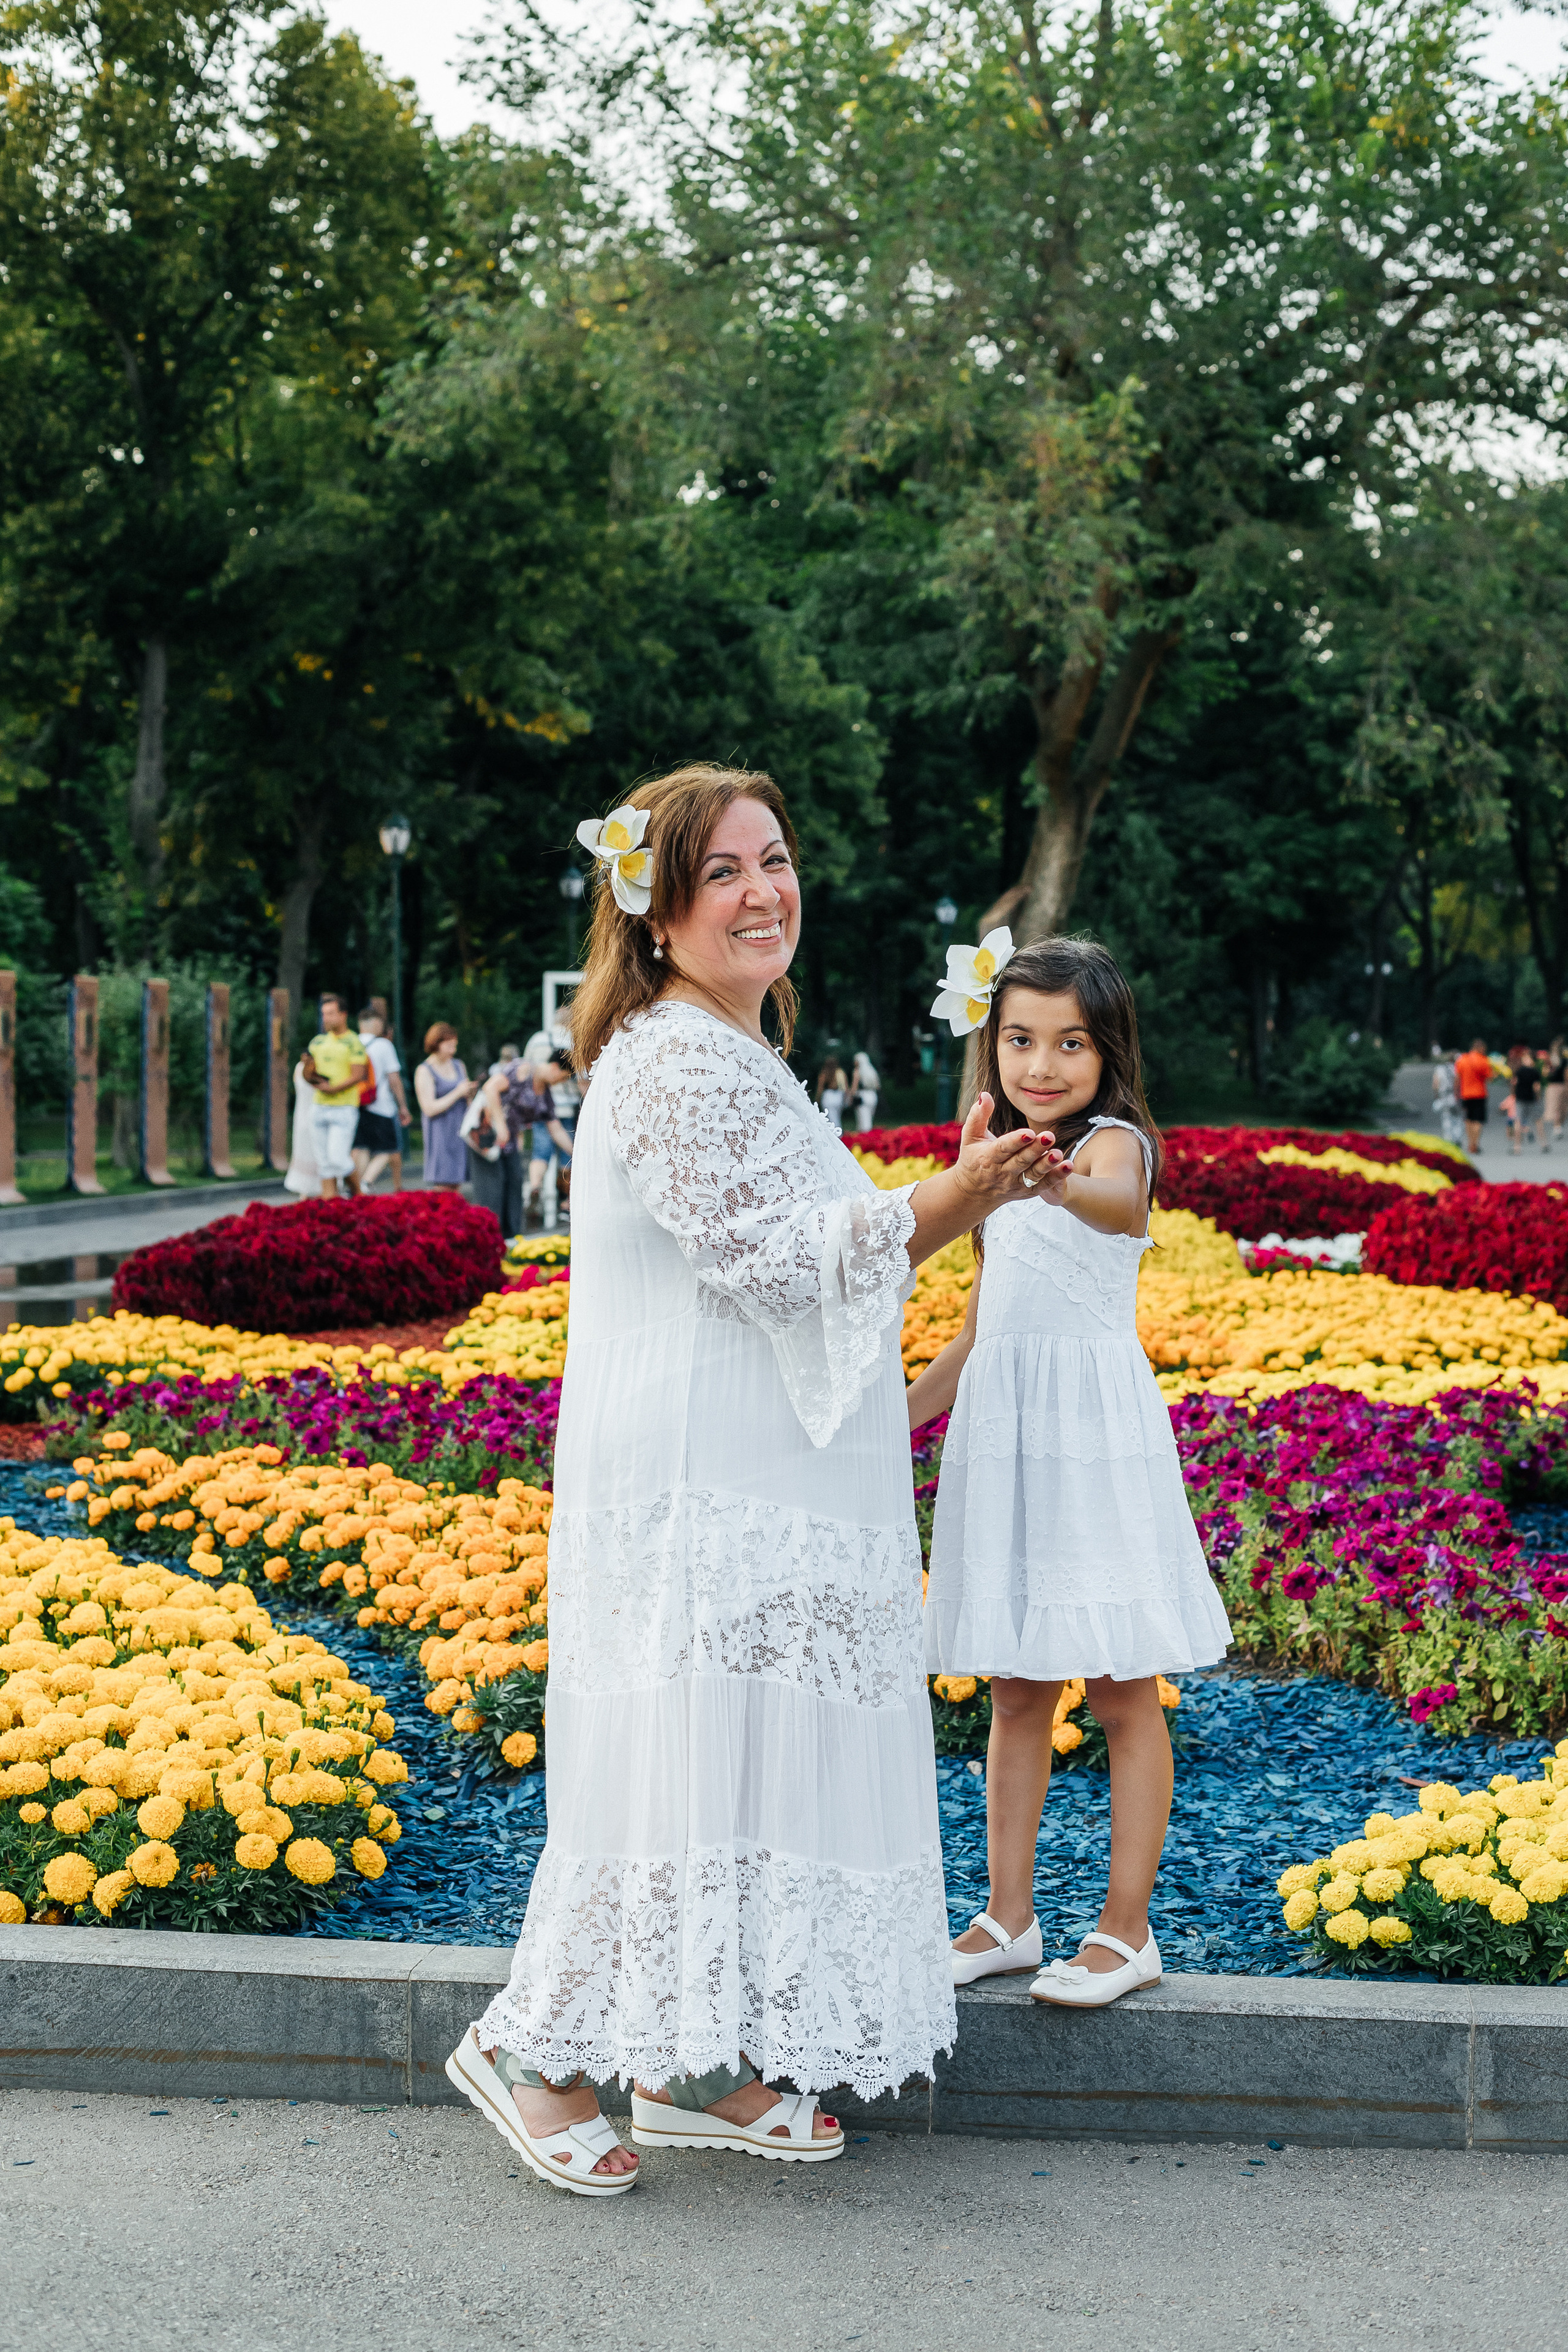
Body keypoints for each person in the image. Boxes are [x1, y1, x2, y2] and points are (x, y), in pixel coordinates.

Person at [443, 763, 1058, 2196]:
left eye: (772, 860)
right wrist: (954, 1198)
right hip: (694, 1486)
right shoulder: (668, 1057)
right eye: (719, 871)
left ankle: (694, 2059)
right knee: (670, 1758)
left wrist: (941, 1205)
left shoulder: (735, 1054)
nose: (759, 890)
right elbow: (767, 1257)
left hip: (761, 1481)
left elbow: (815, 1249)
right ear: (653, 912)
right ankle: (537, 2047)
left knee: (726, 1751)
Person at [911, 936, 1232, 2011]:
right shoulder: (998, 1164)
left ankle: (1126, 1931)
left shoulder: (1114, 1148)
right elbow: (976, 1333)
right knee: (1014, 1688)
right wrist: (891, 1419)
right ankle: (1009, 1915)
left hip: (1090, 1450)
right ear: (991, 1045)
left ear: (1107, 1052)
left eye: (1069, 1043)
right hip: (1007, 1444)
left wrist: (1042, 1183)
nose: (1041, 1065)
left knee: (1122, 1688)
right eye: (1019, 1040)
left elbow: (1112, 1207)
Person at [301, 995, 368, 1200]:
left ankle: (359, 1195)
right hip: (319, 1106)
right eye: (323, 1014)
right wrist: (310, 1074)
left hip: (344, 1107)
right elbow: (308, 1071)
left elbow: (359, 1075)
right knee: (324, 1162)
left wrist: (333, 1088)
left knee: (338, 1158)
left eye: (331, 1014)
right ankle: (330, 1203)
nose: (326, 1018)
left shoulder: (353, 1041)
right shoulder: (317, 1042)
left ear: (343, 1015)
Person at [519, 1017, 581, 1226]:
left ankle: (535, 1185)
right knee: (568, 1159)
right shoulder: (574, 1041)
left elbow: (526, 1066)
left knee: (541, 1152)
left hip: (539, 1102)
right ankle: (567, 1203)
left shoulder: (537, 1039)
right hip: (567, 1104)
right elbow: (581, 1075)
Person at [351, 1007, 412, 1194]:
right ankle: (366, 1183)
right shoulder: (384, 1045)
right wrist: (403, 1107)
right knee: (387, 1148)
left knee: (360, 1148)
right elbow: (394, 1079)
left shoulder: (351, 1043)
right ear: (376, 1023)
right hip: (381, 1106)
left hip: (355, 1105)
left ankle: (354, 1189)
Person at [415, 1024, 475, 1189]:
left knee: (457, 1183)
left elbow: (465, 1094)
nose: (453, 1051)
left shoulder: (458, 1065)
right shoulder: (424, 1070)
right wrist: (458, 1092)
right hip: (441, 1132)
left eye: (455, 1046)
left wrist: (470, 1093)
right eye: (449, 1046)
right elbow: (429, 1108)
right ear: (436, 1044)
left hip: (460, 1130)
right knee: (442, 1186)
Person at [284, 1056, 322, 1197]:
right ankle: (319, 1190)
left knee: (303, 1152)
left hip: (300, 1119)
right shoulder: (317, 1070)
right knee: (318, 1154)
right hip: (315, 1115)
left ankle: (304, 1192)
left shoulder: (299, 1068)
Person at [1454, 1037, 1493, 1156]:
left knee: (1468, 1119)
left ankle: (1471, 1143)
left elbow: (1457, 1078)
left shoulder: (1462, 1060)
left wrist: (1457, 1093)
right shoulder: (1483, 1060)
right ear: (1480, 1048)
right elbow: (1490, 1078)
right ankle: (1476, 1144)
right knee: (1478, 1121)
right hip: (1480, 1094)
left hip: (1466, 1094)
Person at [1510, 1044, 1542, 1153]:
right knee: (1537, 1121)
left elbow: (1514, 1083)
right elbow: (1537, 1087)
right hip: (1531, 1099)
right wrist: (1538, 1096)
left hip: (1520, 1098)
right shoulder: (1535, 1072)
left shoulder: (1519, 1071)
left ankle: (1517, 1146)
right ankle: (1544, 1143)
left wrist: (1513, 1094)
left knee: (1518, 1121)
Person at [1430, 1048, 1463, 1150]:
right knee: (1458, 1118)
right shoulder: (1459, 1068)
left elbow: (1435, 1084)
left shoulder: (1440, 1069)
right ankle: (1457, 1138)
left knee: (1446, 1117)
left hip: (1444, 1096)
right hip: (1457, 1096)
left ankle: (1448, 1138)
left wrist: (1436, 1095)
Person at [848, 1049, 881, 1133]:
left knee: (863, 1121)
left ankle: (865, 1139)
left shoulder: (857, 1071)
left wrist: (851, 1097)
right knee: (870, 1118)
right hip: (873, 1095)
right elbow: (878, 1086)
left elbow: (854, 1087)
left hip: (862, 1096)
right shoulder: (872, 1071)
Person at [1545, 1037, 1567, 1149]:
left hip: (1556, 1086)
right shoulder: (1556, 1061)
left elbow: (1545, 1074)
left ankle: (1557, 1127)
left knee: (1558, 1108)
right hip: (1559, 1086)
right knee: (1559, 1108)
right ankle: (1557, 1127)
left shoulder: (1558, 1061)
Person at [815, 1058, 848, 1128]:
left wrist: (817, 1098)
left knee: (831, 1118)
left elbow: (820, 1088)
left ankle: (836, 1133)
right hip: (839, 1095)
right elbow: (845, 1087)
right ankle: (839, 1131)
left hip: (828, 1095)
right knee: (837, 1116)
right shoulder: (840, 1072)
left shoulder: (824, 1073)